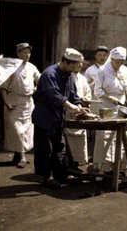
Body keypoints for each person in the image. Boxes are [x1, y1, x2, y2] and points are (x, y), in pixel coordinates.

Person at [32, 48, 88, 190]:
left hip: (58, 119)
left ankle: (61, 175)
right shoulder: (49, 74)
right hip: (45, 118)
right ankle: (47, 177)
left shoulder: (68, 74)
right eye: (73, 67)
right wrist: (70, 106)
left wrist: (79, 106)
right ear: (65, 62)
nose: (74, 70)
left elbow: (73, 94)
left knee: (59, 148)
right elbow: (53, 95)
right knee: (45, 150)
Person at [93, 46, 127, 174]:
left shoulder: (125, 70)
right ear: (111, 59)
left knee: (123, 136)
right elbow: (97, 90)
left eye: (121, 62)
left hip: (122, 107)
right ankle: (104, 168)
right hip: (107, 107)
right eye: (117, 62)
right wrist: (109, 97)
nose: (119, 65)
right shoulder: (102, 71)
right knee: (106, 137)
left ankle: (120, 166)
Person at [0, 43, 41, 168]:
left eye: (29, 52)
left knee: (26, 131)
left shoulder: (32, 67)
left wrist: (35, 89)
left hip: (28, 102)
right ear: (18, 53)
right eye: (24, 52)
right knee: (16, 130)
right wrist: (6, 102)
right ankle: (22, 157)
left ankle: (18, 156)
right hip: (13, 101)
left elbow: (42, 80)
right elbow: (3, 88)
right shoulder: (11, 67)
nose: (27, 55)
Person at [64, 54, 92, 168]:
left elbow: (88, 92)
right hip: (68, 110)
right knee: (68, 139)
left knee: (80, 138)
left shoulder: (82, 78)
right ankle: (68, 164)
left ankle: (76, 163)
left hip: (79, 110)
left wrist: (86, 99)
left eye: (81, 63)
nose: (80, 65)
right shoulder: (66, 76)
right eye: (77, 63)